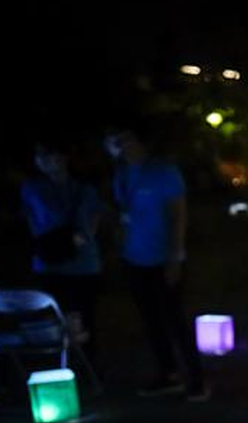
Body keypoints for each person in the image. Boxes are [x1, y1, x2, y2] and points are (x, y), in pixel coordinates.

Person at [105, 127, 208, 400]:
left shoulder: (163, 171)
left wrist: (174, 257)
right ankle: (168, 374)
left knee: (175, 320)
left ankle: (197, 379)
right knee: (151, 322)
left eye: (124, 139)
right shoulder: (121, 174)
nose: (119, 146)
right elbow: (123, 213)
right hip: (133, 258)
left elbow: (178, 216)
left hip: (163, 258)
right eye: (114, 141)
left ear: (139, 141)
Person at [20, 143, 104, 362]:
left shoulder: (84, 188)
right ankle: (65, 365)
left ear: (63, 157)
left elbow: (92, 222)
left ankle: (87, 365)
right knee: (52, 318)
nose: (46, 161)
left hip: (79, 264)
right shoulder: (32, 188)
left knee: (83, 317)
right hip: (51, 261)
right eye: (41, 157)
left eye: (50, 155)